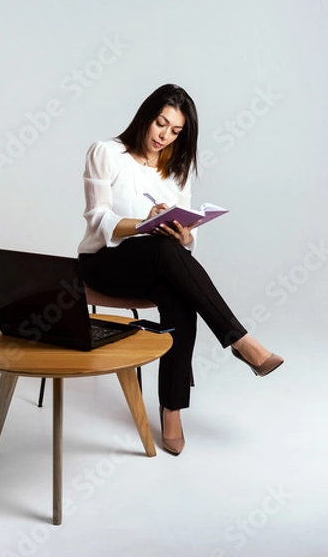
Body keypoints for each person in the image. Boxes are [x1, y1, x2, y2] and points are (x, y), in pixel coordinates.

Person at [77, 83, 284, 456]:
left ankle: (171, 409)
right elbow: (97, 219)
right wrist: (144, 222)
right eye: (161, 124)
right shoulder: (106, 153)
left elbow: (182, 243)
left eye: (175, 131)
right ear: (146, 115)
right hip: (105, 263)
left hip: (158, 263)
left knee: (177, 290)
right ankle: (240, 341)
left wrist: (185, 234)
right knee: (161, 247)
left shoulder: (176, 169)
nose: (164, 136)